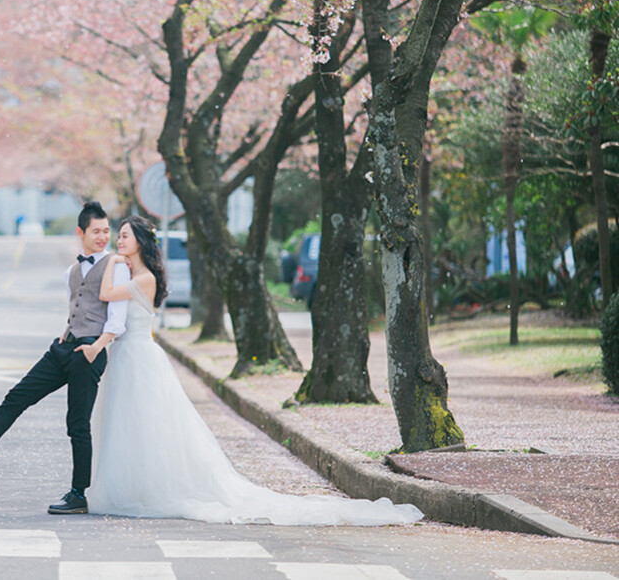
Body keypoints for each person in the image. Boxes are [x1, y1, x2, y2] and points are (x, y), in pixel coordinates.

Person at [87, 215, 424, 526]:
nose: (118, 241)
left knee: (145, 424)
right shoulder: (135, 274)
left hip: (139, 357)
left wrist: (114, 261)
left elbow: (104, 294)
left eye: (124, 237)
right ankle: (132, 486)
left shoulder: (142, 277)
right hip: (127, 355)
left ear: (141, 242)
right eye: (119, 237)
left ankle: (144, 490)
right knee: (130, 424)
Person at [0, 201, 130, 515]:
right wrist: (66, 333)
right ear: (81, 233)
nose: (103, 237)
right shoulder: (72, 270)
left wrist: (95, 347)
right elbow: (77, 307)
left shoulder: (116, 266)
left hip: (89, 352)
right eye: (96, 231)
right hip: (65, 348)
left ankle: (78, 494)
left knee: (77, 425)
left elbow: (117, 318)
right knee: (17, 396)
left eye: (107, 231)